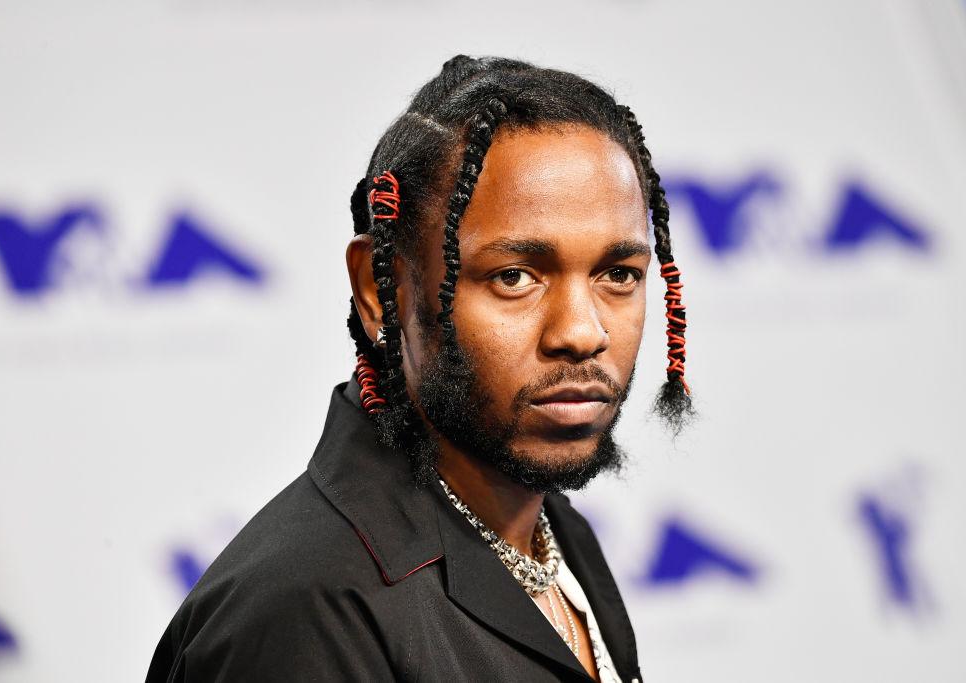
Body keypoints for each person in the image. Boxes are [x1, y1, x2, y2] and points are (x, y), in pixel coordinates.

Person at [146, 54, 692, 682]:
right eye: (514, 277)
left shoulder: (557, 536)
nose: (582, 332)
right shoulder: (305, 614)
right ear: (382, 291)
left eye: (618, 275)